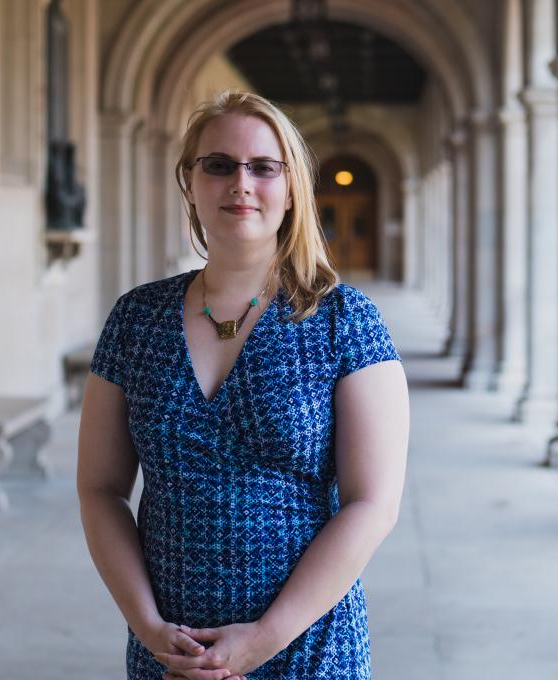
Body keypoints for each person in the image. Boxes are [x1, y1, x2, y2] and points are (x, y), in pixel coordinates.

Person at [77, 90, 409, 680]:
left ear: (292, 188)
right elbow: (101, 488)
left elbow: (372, 503)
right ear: (191, 180)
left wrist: (263, 639)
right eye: (219, 165)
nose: (241, 183)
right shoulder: (136, 319)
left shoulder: (343, 320)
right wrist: (148, 626)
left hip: (309, 648)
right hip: (171, 654)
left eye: (263, 167)